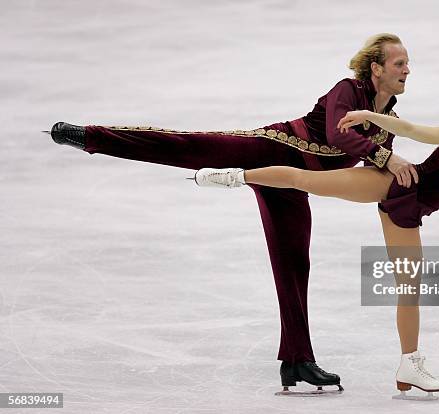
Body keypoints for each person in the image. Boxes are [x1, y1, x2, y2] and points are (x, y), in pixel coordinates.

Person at [46, 33, 418, 395]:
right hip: (268, 149)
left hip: (292, 183)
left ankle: (296, 360)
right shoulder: (348, 90)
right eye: (399, 63)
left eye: (407, 64)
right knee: (187, 146)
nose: (407, 70)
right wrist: (389, 158)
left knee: (294, 264)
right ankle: (90, 137)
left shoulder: (387, 119)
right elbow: (340, 137)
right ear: (376, 68)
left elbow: (374, 172)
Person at [192, 89, 439, 399]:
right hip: (395, 186)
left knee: (409, 289)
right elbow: (411, 129)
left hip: (410, 214)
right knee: (306, 181)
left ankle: (408, 367)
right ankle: (233, 177)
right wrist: (367, 115)